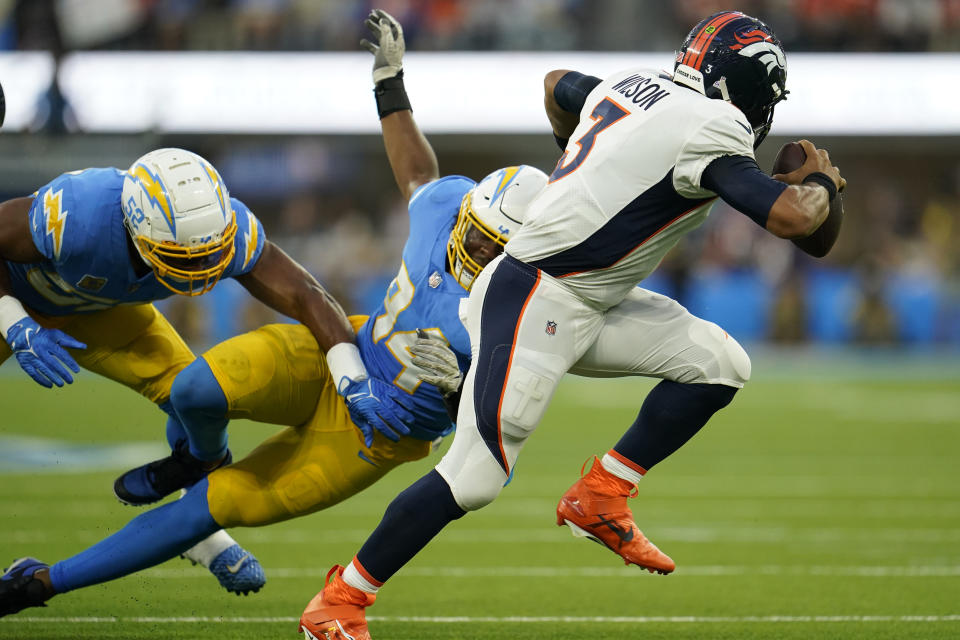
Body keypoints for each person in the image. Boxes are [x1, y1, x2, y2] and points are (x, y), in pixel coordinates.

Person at [299, 9, 846, 640]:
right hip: (536, 298)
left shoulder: (636, 84)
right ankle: (338, 603)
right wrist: (823, 186)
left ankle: (603, 493)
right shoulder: (713, 124)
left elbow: (557, 82)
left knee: (720, 363)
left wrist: (579, 161)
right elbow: (793, 219)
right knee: (473, 478)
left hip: (587, 297)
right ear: (750, 84)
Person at [0, 18, 548, 616]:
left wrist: (464, 391)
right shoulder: (74, 215)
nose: (476, 251)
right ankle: (198, 456)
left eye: (498, 248)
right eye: (479, 234)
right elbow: (417, 175)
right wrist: (390, 84)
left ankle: (39, 584)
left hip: (374, 435)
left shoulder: (535, 301)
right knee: (196, 388)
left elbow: (512, 415)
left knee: (208, 499)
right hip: (347, 354)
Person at [0, 147, 412, 595]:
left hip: (102, 310)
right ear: (135, 225)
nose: (199, 270)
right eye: (180, 256)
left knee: (188, 394)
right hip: (16, 300)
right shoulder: (78, 213)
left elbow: (305, 294)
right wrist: (13, 321)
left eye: (208, 255)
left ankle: (203, 533)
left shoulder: (223, 226)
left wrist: (350, 373)